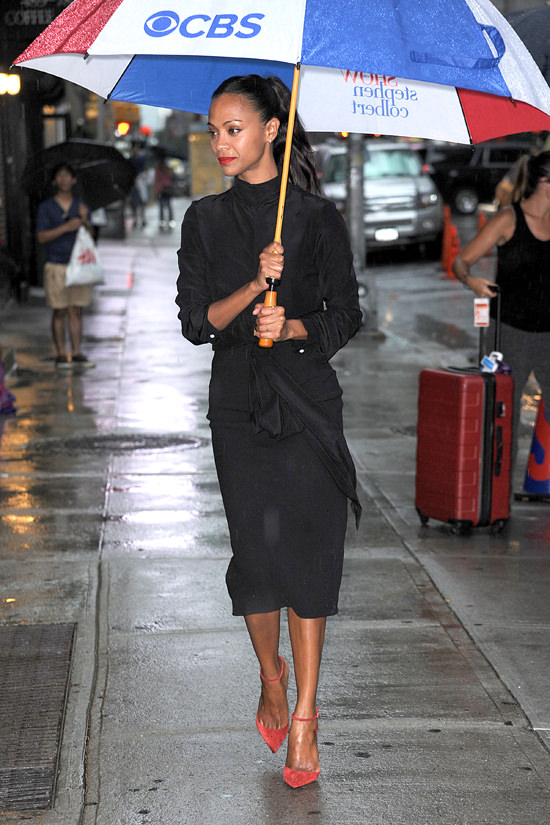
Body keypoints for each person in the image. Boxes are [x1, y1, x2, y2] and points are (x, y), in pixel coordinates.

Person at [176, 74, 362, 788]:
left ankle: (307, 720)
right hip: (239, 407)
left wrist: (295, 325)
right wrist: (257, 286)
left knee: (310, 560)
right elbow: (198, 323)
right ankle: (271, 674)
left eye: (234, 128)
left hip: (308, 402)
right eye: (216, 130)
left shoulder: (317, 218)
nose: (221, 142)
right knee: (256, 562)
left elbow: (347, 314)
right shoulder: (204, 219)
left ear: (271, 130)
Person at [452, 151, 550, 468]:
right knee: (505, 417)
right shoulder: (508, 219)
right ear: (545, 182)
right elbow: (460, 261)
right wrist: (471, 281)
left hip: (548, 335)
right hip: (509, 333)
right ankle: (497, 500)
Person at [36, 162, 95, 369]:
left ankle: (77, 352)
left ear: (73, 180)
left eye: (67, 175)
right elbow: (42, 237)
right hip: (56, 265)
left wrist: (85, 220)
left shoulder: (81, 207)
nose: (63, 179)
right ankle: (62, 353)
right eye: (59, 176)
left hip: (78, 265)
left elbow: (91, 237)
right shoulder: (46, 208)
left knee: (75, 309)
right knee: (59, 310)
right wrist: (66, 227)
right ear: (54, 181)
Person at [154, 155, 174, 231]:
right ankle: (170, 222)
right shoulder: (166, 169)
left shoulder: (159, 169)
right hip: (166, 189)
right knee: (168, 206)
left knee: (162, 207)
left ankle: (163, 222)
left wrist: (155, 190)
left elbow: (156, 180)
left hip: (162, 190)